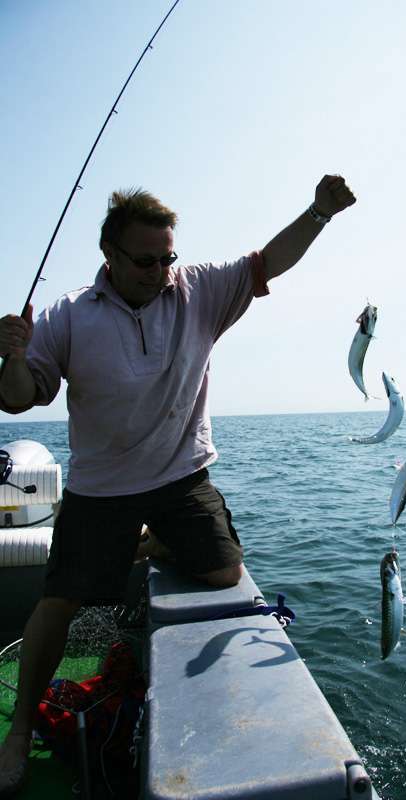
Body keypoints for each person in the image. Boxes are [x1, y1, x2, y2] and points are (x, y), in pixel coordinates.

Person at [0, 174, 356, 794]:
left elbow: (269, 261)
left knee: (223, 571)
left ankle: (154, 539)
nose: (161, 270)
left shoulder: (198, 289)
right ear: (109, 256)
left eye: (168, 257)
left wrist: (318, 213)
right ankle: (19, 731)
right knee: (57, 604)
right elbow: (20, 398)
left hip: (180, 475)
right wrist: (9, 356)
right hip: (100, 487)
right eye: (146, 260)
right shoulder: (68, 316)